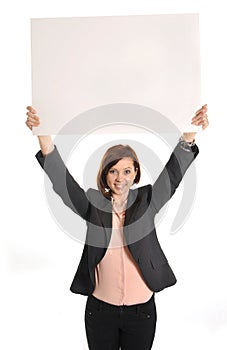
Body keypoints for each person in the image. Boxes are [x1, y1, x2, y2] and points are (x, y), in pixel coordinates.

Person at [25, 105, 209, 350]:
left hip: (141, 312)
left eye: (126, 171)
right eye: (113, 171)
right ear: (104, 175)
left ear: (135, 174)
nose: (120, 178)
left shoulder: (147, 200)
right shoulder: (93, 204)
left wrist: (189, 136)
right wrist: (43, 135)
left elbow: (172, 175)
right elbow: (63, 183)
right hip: (100, 311)